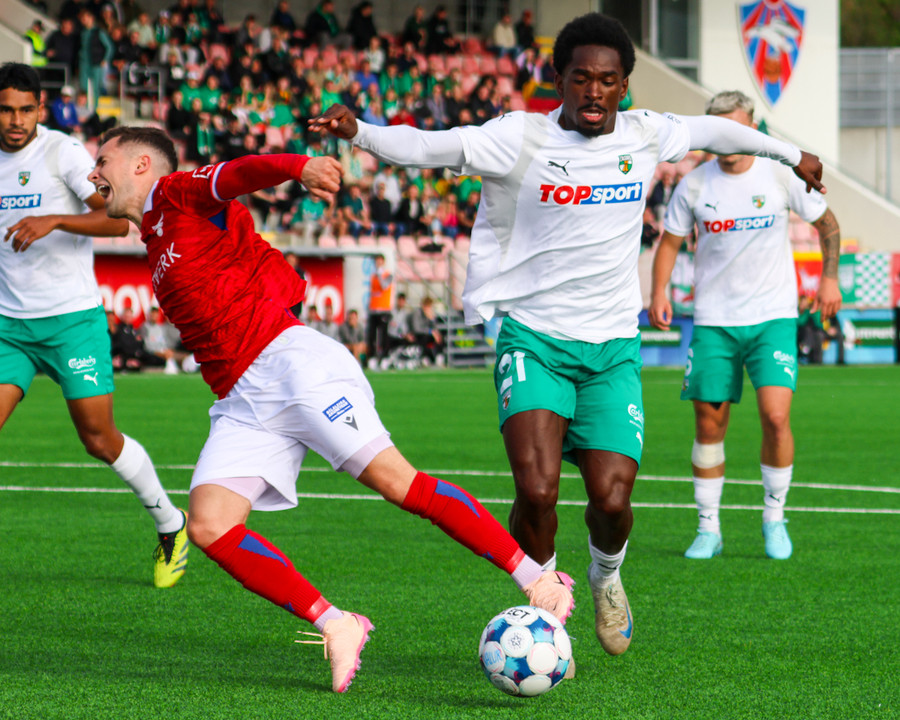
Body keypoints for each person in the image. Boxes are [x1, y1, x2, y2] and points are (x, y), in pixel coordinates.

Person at [310, 12, 827, 658]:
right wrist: (360, 131)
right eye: (581, 78)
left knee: (612, 500)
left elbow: (717, 130)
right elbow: (428, 146)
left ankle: (606, 578)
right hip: (534, 339)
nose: (594, 91)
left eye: (608, 80)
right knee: (537, 490)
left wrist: (793, 155)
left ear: (625, 86)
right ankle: (544, 603)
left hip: (612, 350)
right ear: (559, 80)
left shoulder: (645, 134)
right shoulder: (517, 137)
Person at [88, 125, 575, 693]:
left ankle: (538, 579)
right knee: (210, 525)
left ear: (141, 164)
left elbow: (238, 173)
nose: (94, 171)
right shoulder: (153, 231)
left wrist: (298, 166)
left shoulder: (175, 192)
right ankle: (337, 623)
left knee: (400, 484)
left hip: (292, 366)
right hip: (242, 396)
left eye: (103, 159)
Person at [0, 63, 188, 588]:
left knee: (100, 440)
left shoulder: (62, 153)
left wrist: (55, 219)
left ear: (40, 109)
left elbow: (117, 218)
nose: (15, 120)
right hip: (8, 326)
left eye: (25, 110)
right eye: (5, 110)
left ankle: (170, 523)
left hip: (71, 321)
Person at [648, 90, 842, 561]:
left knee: (776, 417)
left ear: (752, 129)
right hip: (714, 321)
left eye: (736, 128)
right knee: (708, 423)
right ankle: (708, 528)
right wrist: (658, 292)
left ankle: (774, 518)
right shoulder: (693, 185)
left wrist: (829, 278)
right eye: (719, 130)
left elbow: (828, 224)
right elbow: (670, 243)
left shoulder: (778, 174)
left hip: (772, 318)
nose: (728, 139)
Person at [366, 253, 393, 370]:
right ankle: (372, 357)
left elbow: (384, 286)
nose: (378, 263)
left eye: (379, 261)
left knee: (383, 335)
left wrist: (380, 275)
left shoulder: (388, 275)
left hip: (384, 310)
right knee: (372, 336)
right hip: (374, 310)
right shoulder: (373, 276)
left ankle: (385, 357)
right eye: (376, 261)